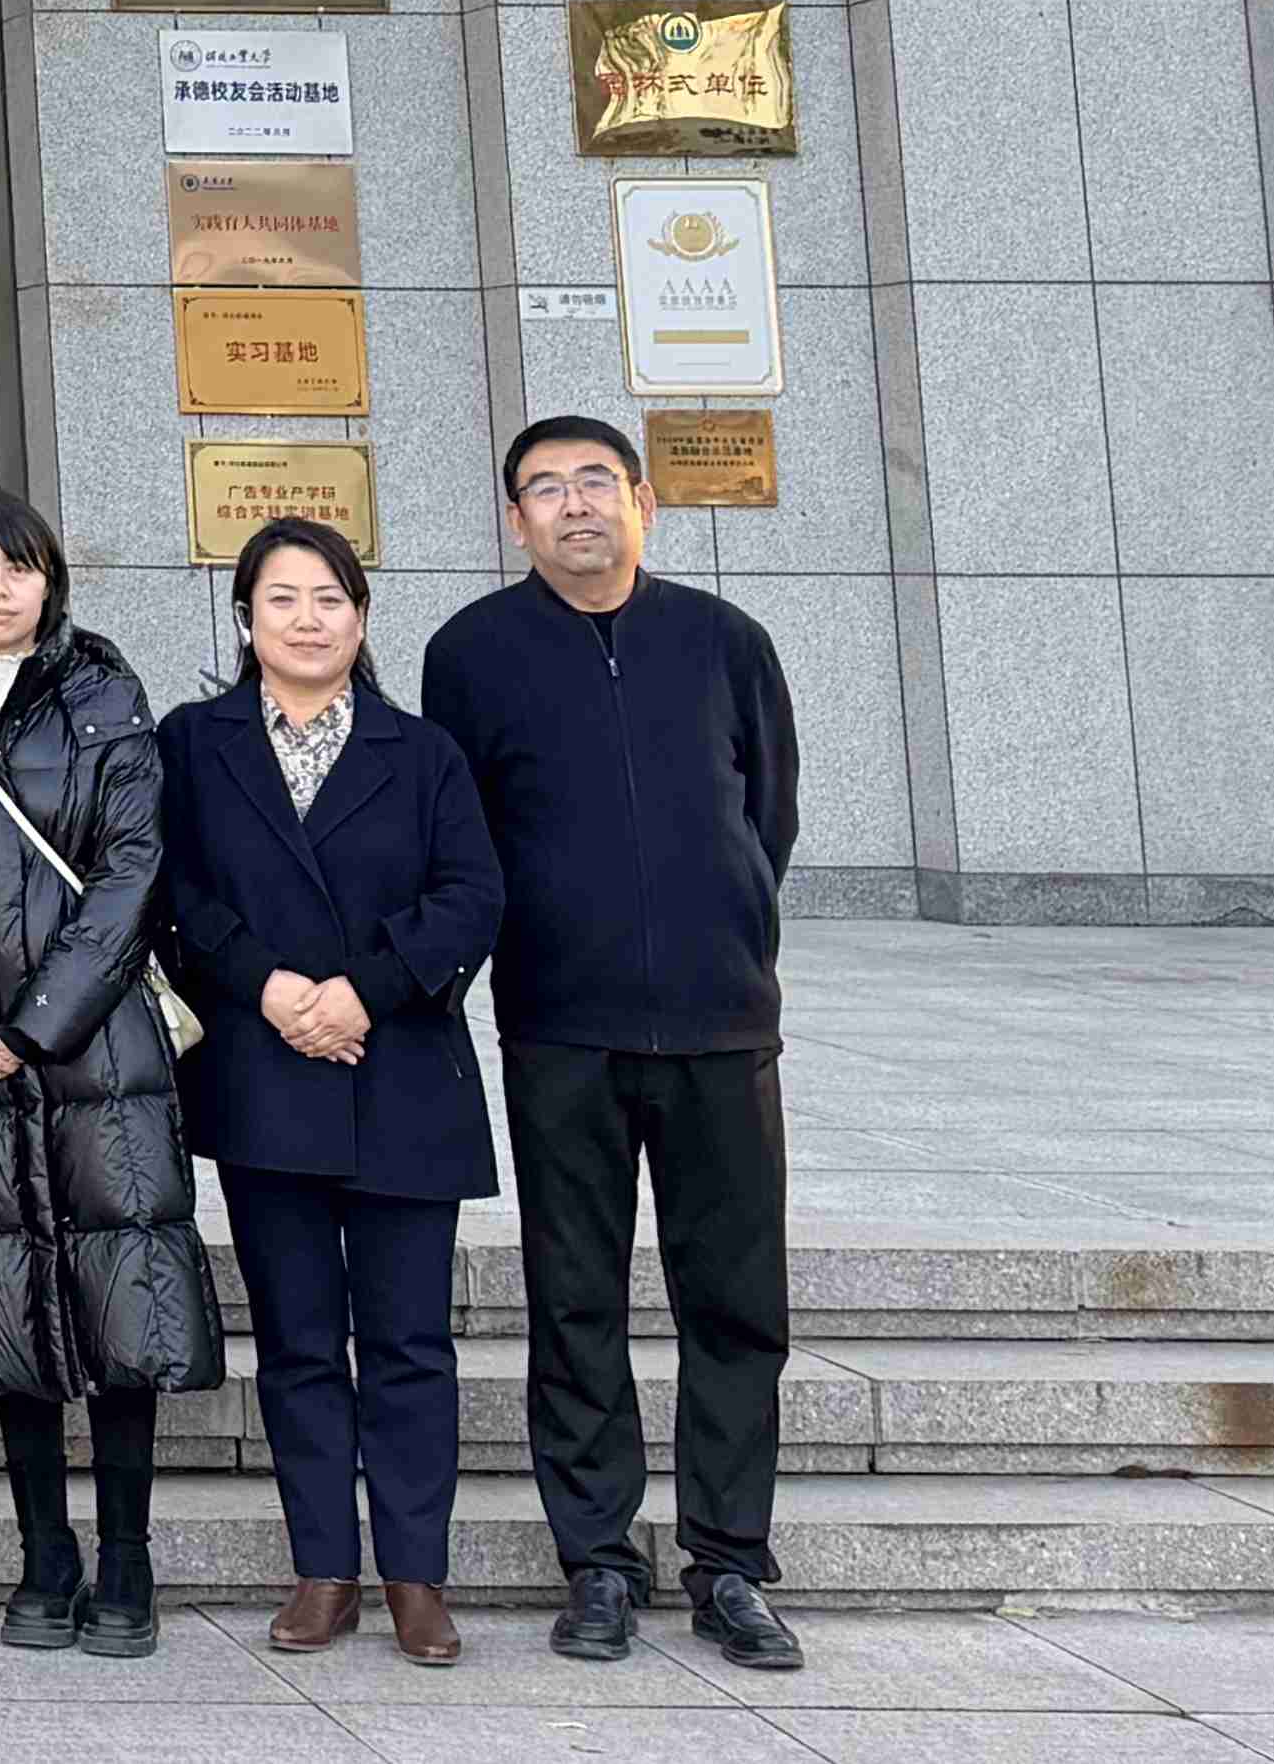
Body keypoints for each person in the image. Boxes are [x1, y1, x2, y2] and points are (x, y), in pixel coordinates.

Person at [424, 411, 807, 1675]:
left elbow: (767, 814)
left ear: (644, 501)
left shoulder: (725, 641)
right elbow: (466, 836)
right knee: (575, 1294)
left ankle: (730, 1562)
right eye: (546, 488)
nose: (575, 504)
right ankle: (596, 1559)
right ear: (515, 519)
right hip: (561, 1024)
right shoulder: (472, 653)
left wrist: (726, 927)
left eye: (598, 481)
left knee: (734, 1300)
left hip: (719, 1024)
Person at [161, 513, 503, 1665]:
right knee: (299, 1340)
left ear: (360, 617)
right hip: (267, 1076)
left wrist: (366, 990)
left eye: (330, 600)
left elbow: (472, 895)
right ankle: (324, 1570)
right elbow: (177, 894)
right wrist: (267, 989)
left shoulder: (424, 751)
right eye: (283, 599)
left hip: (401, 1072)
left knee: (409, 1343)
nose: (307, 621)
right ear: (245, 617)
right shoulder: (195, 744)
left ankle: (415, 1576)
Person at [0, 489, 224, 1660]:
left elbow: (132, 876)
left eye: (18, 568)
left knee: (120, 1294)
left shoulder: (106, 700)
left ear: (50, 581)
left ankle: (125, 1559)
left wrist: (33, 1028)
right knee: (6, 1293)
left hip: (100, 1049)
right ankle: (45, 1556)